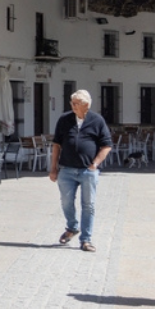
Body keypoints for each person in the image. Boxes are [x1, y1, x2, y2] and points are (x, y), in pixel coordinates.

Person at [50, 89, 112, 252]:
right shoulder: (65, 119)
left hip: (87, 171)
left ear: (86, 105)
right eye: (72, 103)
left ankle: (86, 240)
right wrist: (53, 168)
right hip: (67, 169)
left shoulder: (97, 120)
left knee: (88, 205)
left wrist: (95, 164)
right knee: (66, 201)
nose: (73, 106)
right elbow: (56, 144)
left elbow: (107, 145)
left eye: (76, 103)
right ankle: (72, 227)